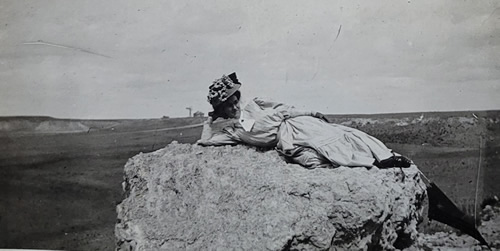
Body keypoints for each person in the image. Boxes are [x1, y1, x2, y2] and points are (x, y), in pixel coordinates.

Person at [197, 72, 412, 169]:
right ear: (221, 109)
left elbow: (286, 109)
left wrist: (310, 113)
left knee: (338, 136)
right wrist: (210, 120)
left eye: (235, 101)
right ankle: (373, 162)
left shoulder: (256, 105)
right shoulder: (232, 132)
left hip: (296, 125)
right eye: (228, 105)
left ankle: (384, 158)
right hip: (285, 142)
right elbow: (205, 141)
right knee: (318, 158)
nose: (234, 106)